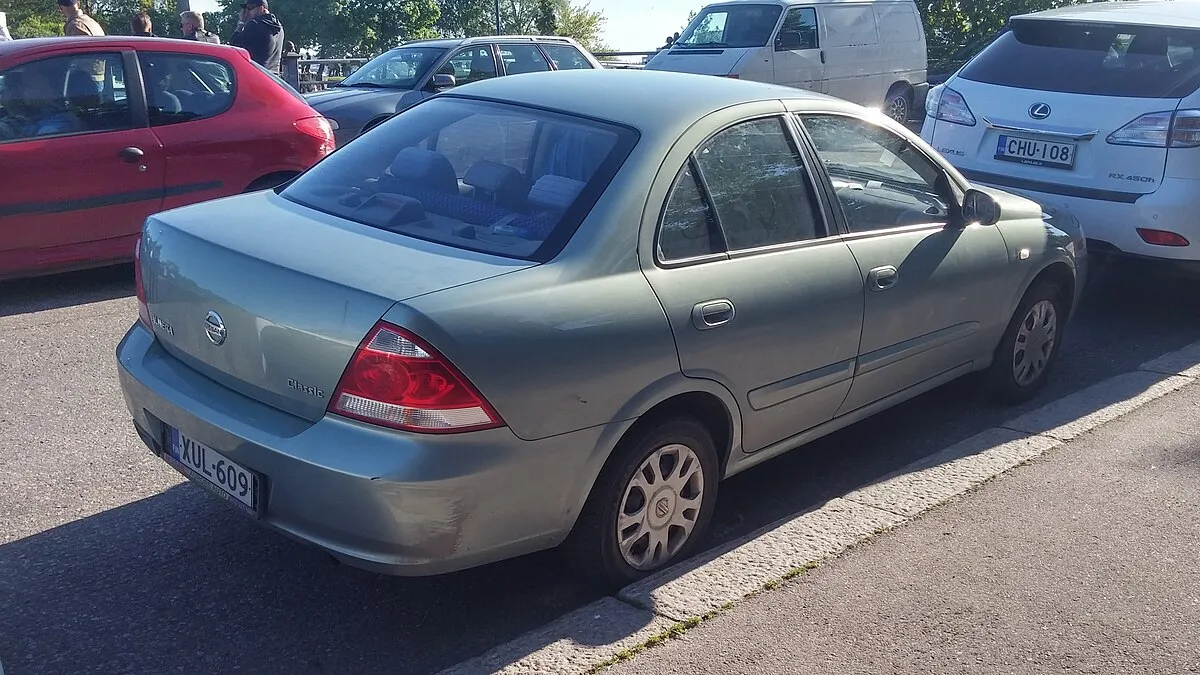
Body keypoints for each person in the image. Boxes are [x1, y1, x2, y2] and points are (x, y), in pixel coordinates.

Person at [230, 0, 284, 73]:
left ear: (261, 8)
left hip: (256, 74)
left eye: (250, 8)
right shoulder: (279, 27)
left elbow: (234, 45)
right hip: (273, 78)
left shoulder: (254, 24)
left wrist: (241, 23)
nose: (247, 12)